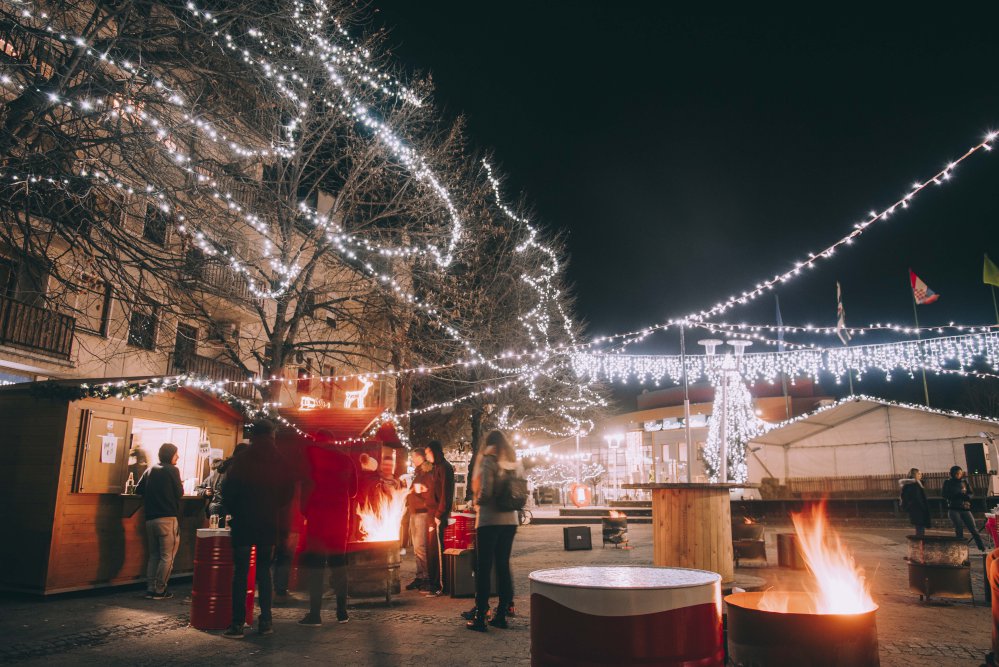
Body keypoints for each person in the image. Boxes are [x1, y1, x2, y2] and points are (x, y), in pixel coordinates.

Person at [221, 420, 294, 638]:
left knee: (241, 573)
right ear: (272, 435)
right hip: (268, 524)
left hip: (243, 523)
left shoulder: (242, 459)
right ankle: (266, 621)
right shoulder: (281, 461)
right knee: (264, 572)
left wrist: (236, 510)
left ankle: (237, 624)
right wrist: (272, 507)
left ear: (253, 435)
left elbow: (228, 491)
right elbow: (287, 494)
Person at [298, 430, 357, 627]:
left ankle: (315, 614)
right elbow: (353, 492)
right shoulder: (346, 459)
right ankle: (342, 612)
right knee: (339, 566)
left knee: (316, 568)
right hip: (339, 521)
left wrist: (305, 511)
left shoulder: (312, 458)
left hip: (318, 520)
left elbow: (306, 486)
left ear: (317, 441)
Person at [465, 430, 522, 632]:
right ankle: (502, 614)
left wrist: (475, 502)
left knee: (483, 567)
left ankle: (481, 615)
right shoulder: (515, 462)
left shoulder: (489, 460)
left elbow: (486, 491)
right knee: (503, 566)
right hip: (511, 520)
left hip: (490, 520)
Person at [136, 443, 183, 600]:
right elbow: (180, 492)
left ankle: (150, 589)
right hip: (167, 518)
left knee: (154, 555)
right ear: (170, 455)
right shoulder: (172, 470)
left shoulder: (150, 469)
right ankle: (160, 589)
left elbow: (138, 490)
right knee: (167, 556)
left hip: (150, 519)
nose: (178, 456)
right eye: (176, 454)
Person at [426, 440, 454, 595]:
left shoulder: (444, 468)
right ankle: (434, 583)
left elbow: (445, 493)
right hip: (434, 514)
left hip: (439, 517)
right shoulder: (436, 467)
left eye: (428, 452)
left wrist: (439, 514)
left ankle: (442, 585)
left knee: (439, 551)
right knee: (432, 551)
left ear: (434, 452)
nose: (426, 456)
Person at [405, 448, 435, 592]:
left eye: (413, 457)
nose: (412, 459)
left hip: (422, 514)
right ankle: (420, 575)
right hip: (415, 513)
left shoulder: (426, 473)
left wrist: (420, 492)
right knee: (417, 548)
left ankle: (426, 577)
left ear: (419, 457)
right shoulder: (419, 473)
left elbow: (430, 492)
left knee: (421, 547)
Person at [942, 465, 986, 551]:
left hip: (965, 508)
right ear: (952, 474)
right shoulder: (948, 482)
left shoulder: (964, 482)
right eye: (957, 473)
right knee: (959, 528)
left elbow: (971, 493)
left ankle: (981, 547)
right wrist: (956, 495)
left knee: (973, 528)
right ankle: (961, 548)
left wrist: (967, 496)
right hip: (954, 508)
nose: (959, 475)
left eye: (960, 473)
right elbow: (944, 494)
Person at [206, 442, 248, 525]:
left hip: (216, 506)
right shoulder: (236, 467)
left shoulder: (223, 466)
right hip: (226, 508)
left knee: (217, 532)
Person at [899, 468, 931, 537]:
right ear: (914, 475)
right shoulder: (915, 485)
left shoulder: (911, 484)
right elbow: (917, 498)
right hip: (918, 509)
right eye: (919, 474)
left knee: (919, 527)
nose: (921, 475)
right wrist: (923, 508)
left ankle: (919, 541)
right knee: (920, 527)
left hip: (914, 509)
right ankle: (919, 542)